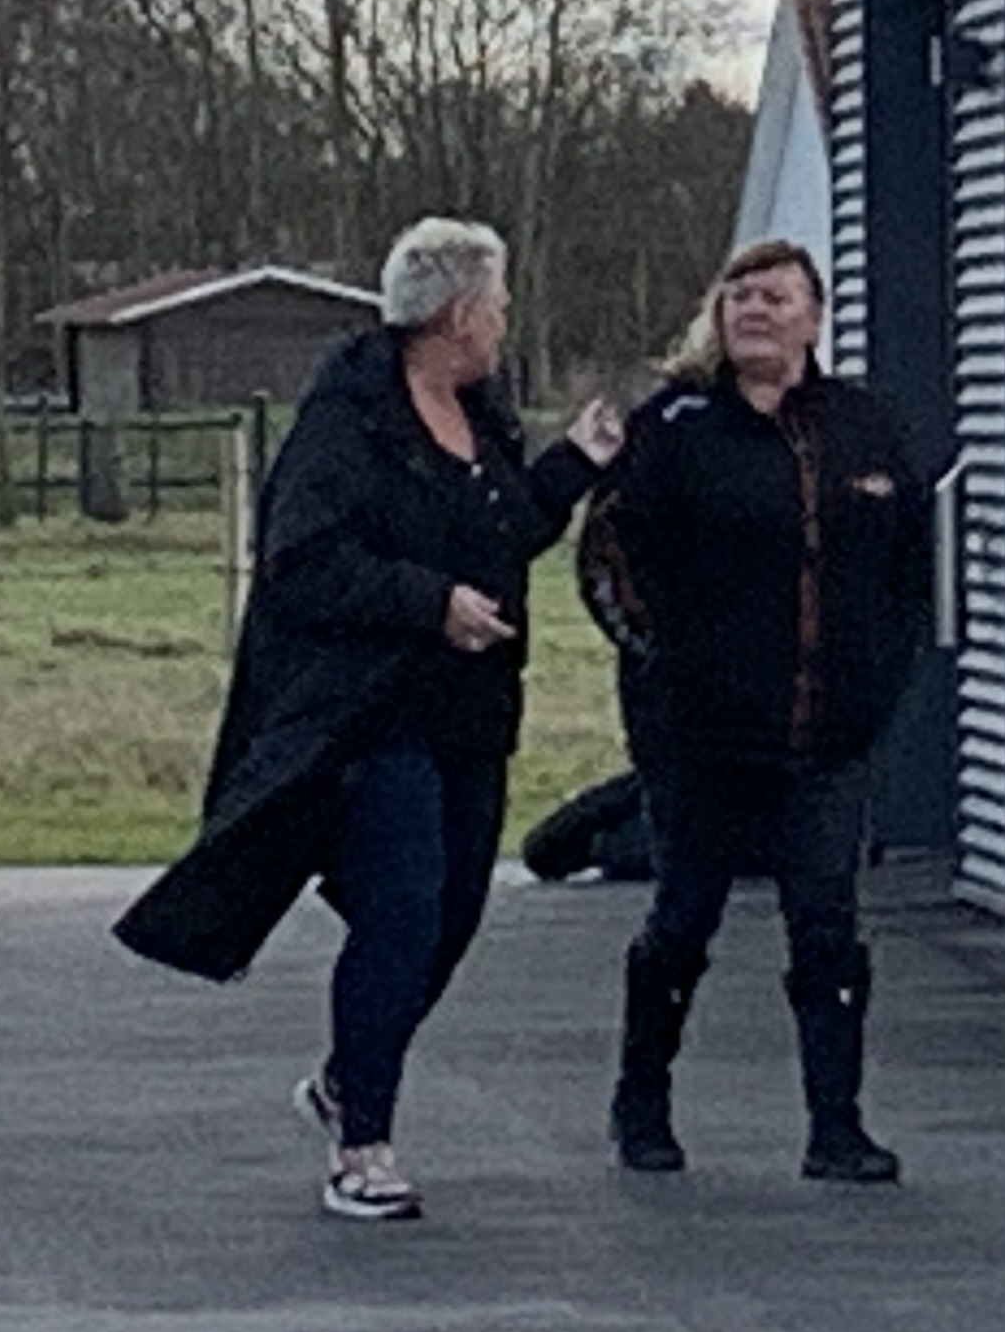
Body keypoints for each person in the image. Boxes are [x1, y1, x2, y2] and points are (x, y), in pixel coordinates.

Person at [113, 217, 621, 1222]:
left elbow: (502, 531)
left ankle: (348, 1075)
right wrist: (430, 604)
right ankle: (364, 1147)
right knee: (402, 908)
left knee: (453, 917)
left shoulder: (481, 414)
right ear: (458, 314)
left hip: (470, 711)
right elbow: (303, 560)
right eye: (497, 303)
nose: (504, 320)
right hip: (369, 712)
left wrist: (575, 463)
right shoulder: (348, 422)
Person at [593, 237, 938, 1184]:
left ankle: (838, 1127)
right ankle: (641, 1106)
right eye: (738, 295)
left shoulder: (864, 427)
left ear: (814, 318)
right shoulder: (673, 426)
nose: (753, 310)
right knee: (683, 920)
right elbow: (608, 561)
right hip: (699, 739)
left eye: (775, 297)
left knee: (827, 926)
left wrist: (881, 677)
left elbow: (911, 566)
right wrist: (664, 665)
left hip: (829, 733)